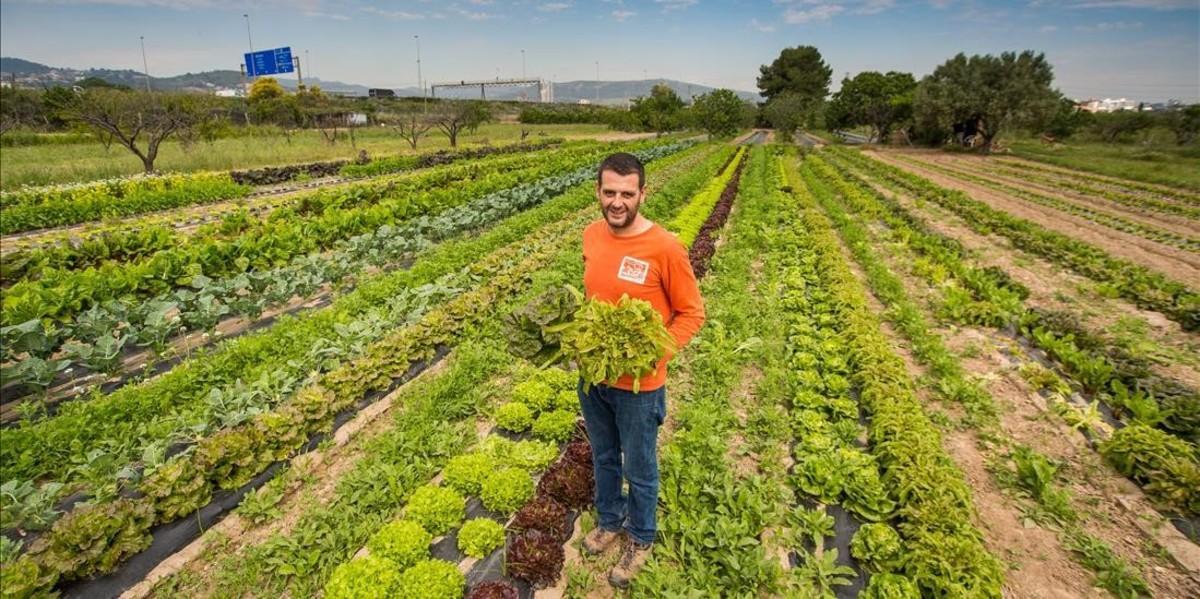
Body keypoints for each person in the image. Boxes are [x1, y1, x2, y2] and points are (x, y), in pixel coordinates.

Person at [577, 152, 705, 588]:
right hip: (594, 378)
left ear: (642, 194)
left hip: (641, 384)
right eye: (609, 192)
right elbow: (594, 293)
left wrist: (655, 354)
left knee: (641, 467)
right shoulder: (592, 235)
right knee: (604, 455)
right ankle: (610, 519)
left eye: (626, 194)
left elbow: (692, 314)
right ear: (598, 191)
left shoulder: (665, 247)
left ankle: (641, 536)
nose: (617, 201)